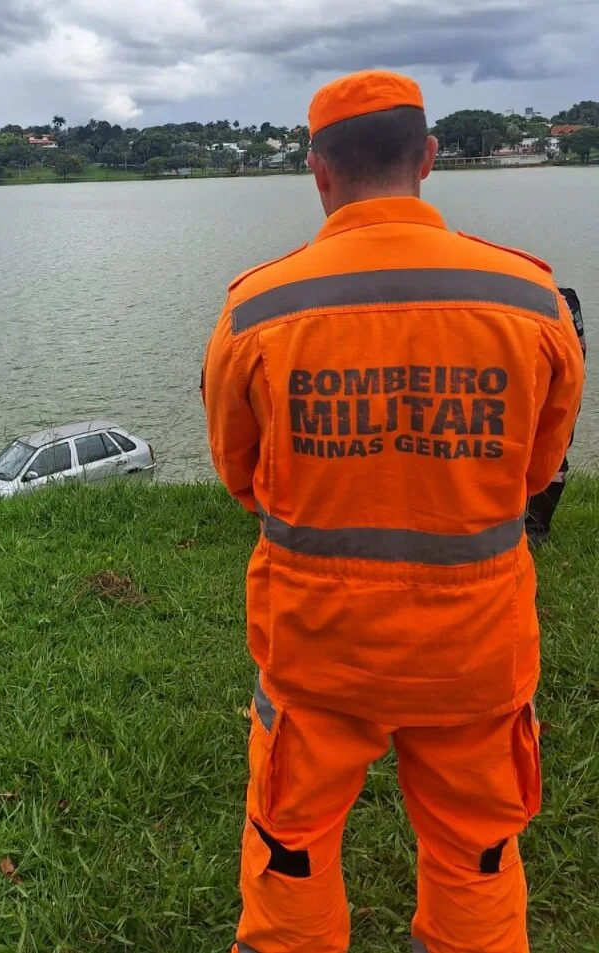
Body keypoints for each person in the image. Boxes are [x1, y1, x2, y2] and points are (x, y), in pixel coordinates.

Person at [202, 70, 584, 953]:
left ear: (317, 171)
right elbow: (537, 475)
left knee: (289, 850)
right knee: (478, 854)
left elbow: (240, 474)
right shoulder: (529, 300)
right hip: (475, 651)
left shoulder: (256, 308)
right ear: (428, 159)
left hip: (317, 646)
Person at [525, 287, 587, 545]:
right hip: (554, 376)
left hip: (550, 375)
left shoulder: (563, 299)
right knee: (553, 447)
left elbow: (578, 355)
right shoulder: (561, 298)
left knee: (555, 450)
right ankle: (534, 528)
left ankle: (536, 529)